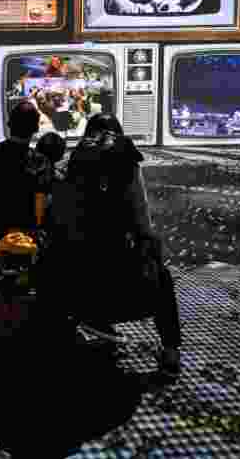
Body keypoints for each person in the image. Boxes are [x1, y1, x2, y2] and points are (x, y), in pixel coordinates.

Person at [37, 113, 182, 381]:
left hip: (76, 292)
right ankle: (171, 353)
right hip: (125, 293)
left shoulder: (70, 168)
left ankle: (65, 339)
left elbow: (54, 222)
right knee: (162, 276)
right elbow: (144, 225)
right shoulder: (128, 167)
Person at [0, 102, 53, 244]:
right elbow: (43, 200)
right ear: (36, 128)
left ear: (9, 125)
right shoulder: (40, 161)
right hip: (29, 230)